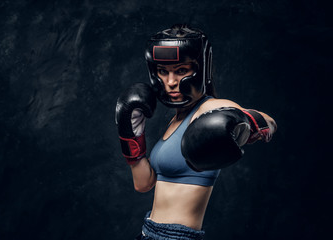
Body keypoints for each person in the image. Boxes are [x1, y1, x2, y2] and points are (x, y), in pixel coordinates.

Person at [115, 24, 277, 240]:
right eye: (163, 72)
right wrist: (130, 136)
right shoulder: (175, 119)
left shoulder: (210, 109)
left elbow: (269, 122)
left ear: (199, 70)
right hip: (148, 232)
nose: (170, 82)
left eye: (181, 70)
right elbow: (143, 184)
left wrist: (244, 123)